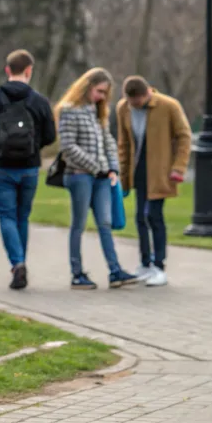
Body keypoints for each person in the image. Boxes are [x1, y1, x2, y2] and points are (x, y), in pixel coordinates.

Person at [0, 49, 56, 289]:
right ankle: (21, 261)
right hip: (30, 168)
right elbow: (50, 135)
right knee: (22, 217)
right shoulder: (39, 100)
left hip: (1, 168)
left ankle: (17, 263)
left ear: (7, 70)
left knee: (7, 216)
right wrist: (33, 147)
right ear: (29, 71)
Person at [56, 68, 139, 290]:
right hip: (80, 176)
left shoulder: (98, 112)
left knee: (105, 223)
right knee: (79, 224)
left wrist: (112, 168)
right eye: (99, 91)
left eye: (105, 93)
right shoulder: (69, 111)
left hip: (102, 177)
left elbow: (108, 141)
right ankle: (77, 273)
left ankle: (115, 270)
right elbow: (68, 147)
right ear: (87, 86)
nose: (102, 96)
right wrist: (94, 167)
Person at [117, 76, 192, 287]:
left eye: (138, 103)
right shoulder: (123, 108)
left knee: (154, 216)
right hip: (138, 171)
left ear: (146, 94)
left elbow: (184, 136)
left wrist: (178, 167)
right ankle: (145, 263)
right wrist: (123, 175)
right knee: (140, 217)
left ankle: (159, 267)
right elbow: (123, 143)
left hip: (160, 171)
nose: (134, 107)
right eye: (131, 103)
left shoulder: (168, 106)